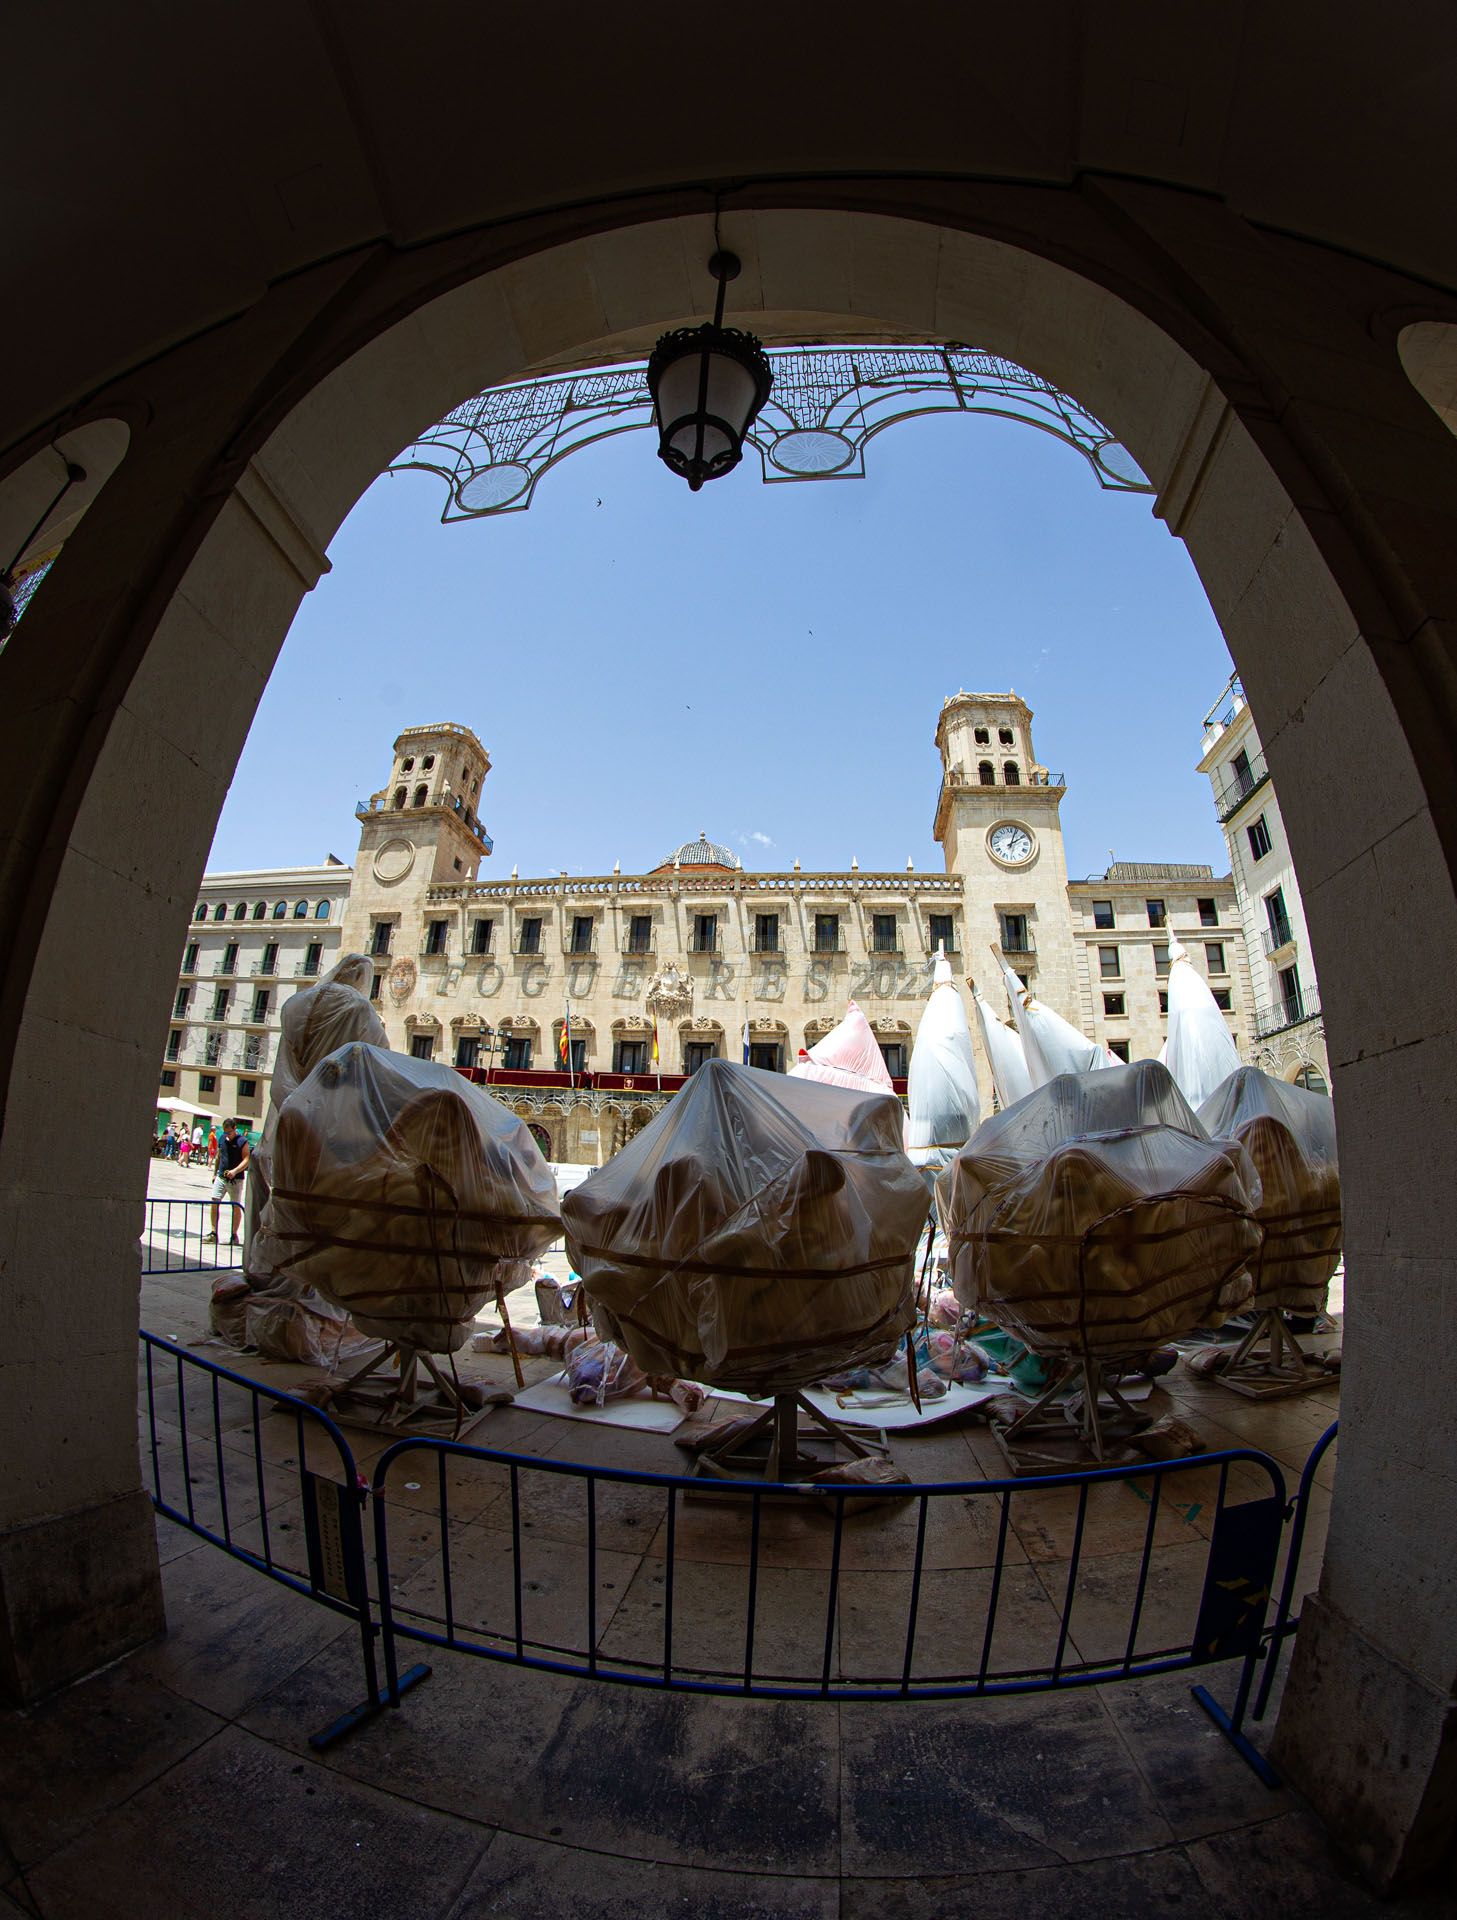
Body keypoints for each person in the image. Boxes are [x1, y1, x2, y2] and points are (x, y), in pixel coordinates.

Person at [206, 1118, 250, 1244]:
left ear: (235, 1128)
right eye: (225, 1133)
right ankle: (213, 1233)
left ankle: (234, 1235)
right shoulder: (222, 1139)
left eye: (229, 1132)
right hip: (221, 1176)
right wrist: (215, 1173)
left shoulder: (242, 1141)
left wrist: (235, 1171)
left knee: (235, 1206)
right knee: (214, 1201)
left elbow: (247, 1159)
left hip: (235, 1179)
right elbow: (219, 1156)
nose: (227, 1135)